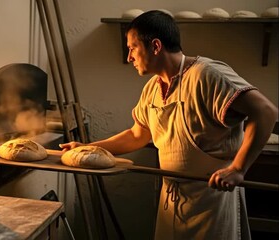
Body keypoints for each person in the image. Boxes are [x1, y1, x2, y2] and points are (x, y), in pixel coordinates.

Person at [60, 10, 278, 240]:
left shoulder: (206, 75)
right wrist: (87, 148)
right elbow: (137, 135)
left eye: (133, 48)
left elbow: (266, 112)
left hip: (212, 199)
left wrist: (237, 169)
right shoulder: (153, 88)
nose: (129, 57)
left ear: (155, 46)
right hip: (172, 200)